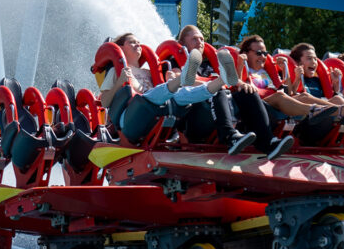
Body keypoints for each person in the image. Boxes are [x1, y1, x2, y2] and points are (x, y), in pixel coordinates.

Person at [99, 32, 259, 156]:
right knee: (152, 98)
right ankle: (182, 79)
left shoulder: (148, 71)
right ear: (120, 48)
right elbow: (105, 102)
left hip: (156, 110)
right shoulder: (116, 71)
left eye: (139, 43)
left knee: (182, 95)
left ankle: (219, 82)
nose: (137, 45)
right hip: (130, 117)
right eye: (132, 42)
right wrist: (120, 82)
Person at [175, 25, 292, 160]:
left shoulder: (210, 65)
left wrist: (242, 84)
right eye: (194, 39)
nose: (200, 42)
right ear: (182, 43)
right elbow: (177, 81)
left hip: (219, 107)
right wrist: (212, 85)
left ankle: (268, 142)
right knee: (216, 89)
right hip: (192, 117)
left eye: (202, 39)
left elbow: (229, 81)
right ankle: (230, 137)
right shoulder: (174, 62)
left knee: (247, 92)